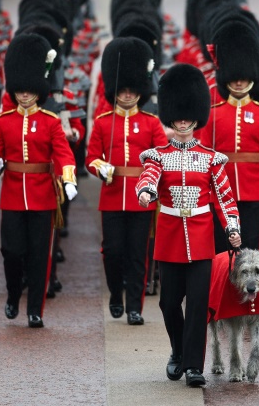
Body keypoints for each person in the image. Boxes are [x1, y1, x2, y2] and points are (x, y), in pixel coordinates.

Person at [136, 64, 241, 387]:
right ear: (171, 115)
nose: (183, 121)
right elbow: (149, 176)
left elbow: (224, 197)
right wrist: (145, 190)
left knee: (197, 304)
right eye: (178, 116)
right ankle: (178, 351)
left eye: (187, 116)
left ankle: (194, 366)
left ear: (196, 117)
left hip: (200, 237)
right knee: (169, 303)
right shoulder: (158, 155)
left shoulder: (210, 158)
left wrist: (232, 227)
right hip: (169, 237)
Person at [0, 33, 78, 328]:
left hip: (42, 196)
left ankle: (35, 310)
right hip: (12, 195)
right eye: (20, 90)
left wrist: (68, 179)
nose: (25, 95)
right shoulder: (3, 121)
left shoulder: (50, 121)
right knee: (11, 251)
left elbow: (63, 154)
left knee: (40, 255)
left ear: (39, 89)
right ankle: (14, 294)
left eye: (30, 90)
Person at [86, 37, 168, 326]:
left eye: (133, 90)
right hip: (111, 195)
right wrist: (101, 168)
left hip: (141, 199)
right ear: (115, 91)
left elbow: (160, 156)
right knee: (112, 251)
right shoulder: (103, 122)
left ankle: (135, 306)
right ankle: (115, 292)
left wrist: (151, 181)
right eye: (123, 90)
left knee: (137, 255)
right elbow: (91, 157)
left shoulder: (151, 122)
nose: (129, 94)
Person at [199, 19, 259, 253]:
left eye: (243, 77)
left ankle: (249, 292)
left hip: (255, 190)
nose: (239, 81)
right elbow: (203, 156)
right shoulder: (213, 114)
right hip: (221, 190)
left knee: (251, 248)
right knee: (222, 249)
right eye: (234, 77)